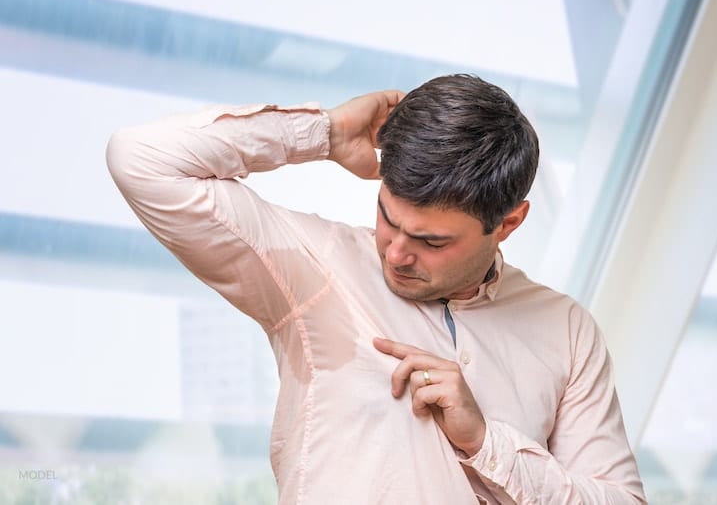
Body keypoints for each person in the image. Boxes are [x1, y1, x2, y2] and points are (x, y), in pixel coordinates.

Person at [107, 74, 646, 504]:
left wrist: (486, 442)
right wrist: (324, 133)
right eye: (389, 219)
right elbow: (143, 161)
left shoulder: (566, 329)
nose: (396, 253)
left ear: (508, 223)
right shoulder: (316, 266)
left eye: (432, 242)